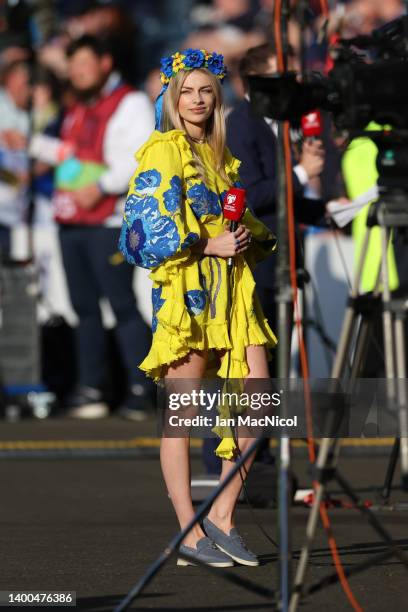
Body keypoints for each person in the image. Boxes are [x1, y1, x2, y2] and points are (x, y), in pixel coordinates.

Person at [119, 48, 277, 568]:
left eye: (206, 91)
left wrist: (251, 236)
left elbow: (245, 223)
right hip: (189, 295)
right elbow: (140, 231)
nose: (197, 100)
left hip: (234, 297)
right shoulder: (163, 149)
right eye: (187, 91)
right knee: (182, 417)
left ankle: (223, 517)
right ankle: (188, 533)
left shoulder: (221, 157)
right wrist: (209, 245)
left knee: (260, 403)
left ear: (217, 98)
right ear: (172, 97)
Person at [53, 35, 155, 419]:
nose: (77, 72)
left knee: (122, 305)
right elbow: (67, 155)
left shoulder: (129, 103)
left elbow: (142, 154)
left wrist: (102, 185)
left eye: (83, 63)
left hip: (110, 220)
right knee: (84, 308)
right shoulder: (77, 107)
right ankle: (93, 386)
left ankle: (141, 385)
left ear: (105, 62)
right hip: (72, 220)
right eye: (72, 65)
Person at [0, 59, 31, 258]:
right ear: (10, 80)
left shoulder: (24, 112)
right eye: (23, 81)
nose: (27, 87)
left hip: (13, 207)